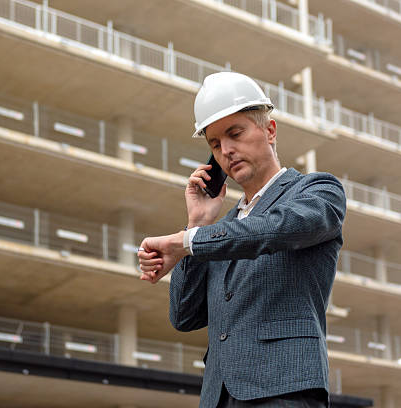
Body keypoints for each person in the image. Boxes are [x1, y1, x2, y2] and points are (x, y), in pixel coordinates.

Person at [137, 72, 346, 408]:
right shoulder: (218, 230)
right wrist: (197, 222)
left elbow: (276, 229)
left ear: (270, 131)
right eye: (215, 144)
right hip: (219, 397)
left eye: (235, 134)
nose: (227, 151)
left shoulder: (318, 192)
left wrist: (187, 241)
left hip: (283, 391)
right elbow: (184, 315)